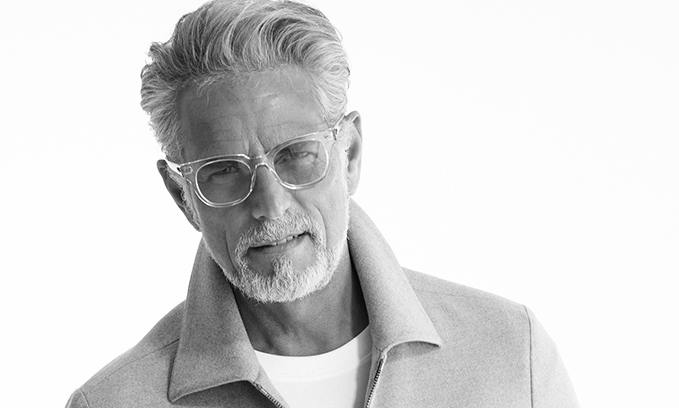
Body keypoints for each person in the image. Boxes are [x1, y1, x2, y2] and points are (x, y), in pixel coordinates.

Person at [66, 0, 578, 407]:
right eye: (223, 171)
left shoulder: (513, 358)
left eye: (295, 155)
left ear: (349, 154)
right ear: (183, 197)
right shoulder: (114, 402)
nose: (270, 206)